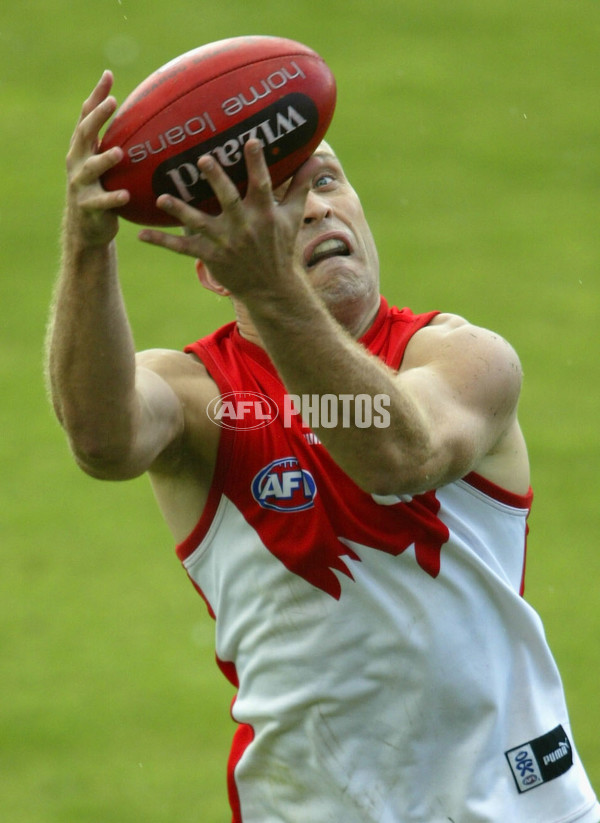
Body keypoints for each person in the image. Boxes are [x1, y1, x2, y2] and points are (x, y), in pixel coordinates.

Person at [46, 69, 599, 823]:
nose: (314, 208)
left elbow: (401, 458)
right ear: (210, 266)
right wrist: (88, 241)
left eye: (327, 178)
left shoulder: (462, 357)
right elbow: (101, 440)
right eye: (275, 199)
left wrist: (275, 292)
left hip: (518, 807)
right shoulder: (197, 392)